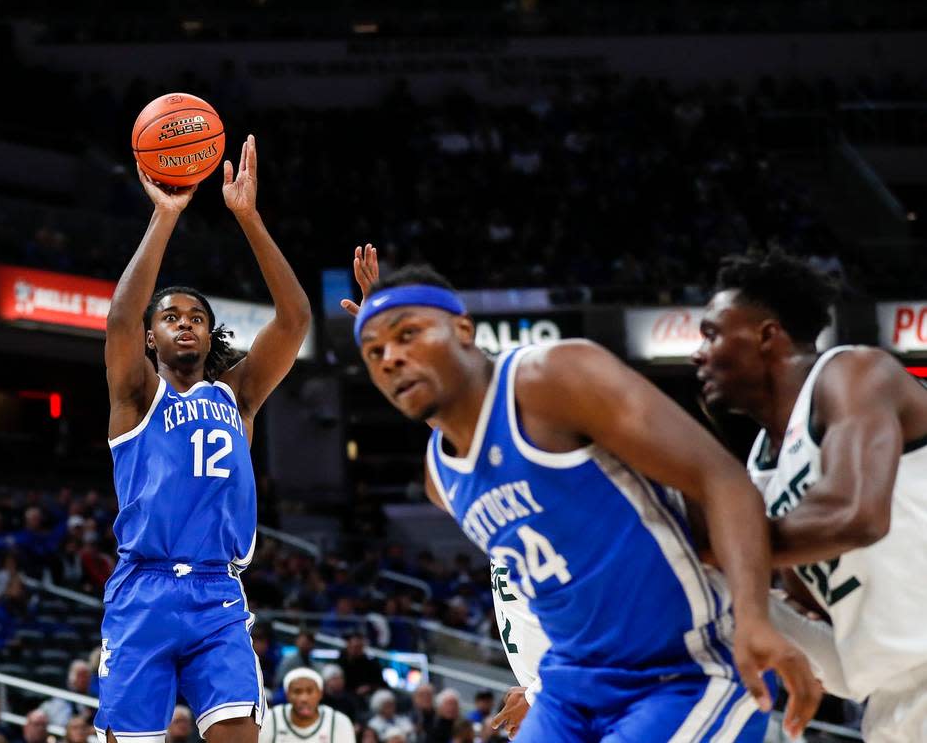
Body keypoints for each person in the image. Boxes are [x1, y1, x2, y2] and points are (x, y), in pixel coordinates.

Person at [343, 249, 820, 742]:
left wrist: (755, 616)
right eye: (374, 352)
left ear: (464, 330)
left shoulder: (554, 379)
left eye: (409, 335)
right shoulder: (439, 476)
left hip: (681, 668)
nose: (391, 357)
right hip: (569, 684)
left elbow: (722, 478)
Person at [96, 135, 311, 743]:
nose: (184, 322)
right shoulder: (135, 397)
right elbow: (118, 318)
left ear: (211, 332)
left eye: (195, 316)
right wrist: (165, 216)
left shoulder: (236, 396)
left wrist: (248, 217)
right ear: (150, 339)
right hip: (144, 587)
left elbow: (294, 318)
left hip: (218, 591)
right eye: (170, 317)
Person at [693, 250, 927, 742]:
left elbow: (856, 515)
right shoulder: (759, 471)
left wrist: (721, 549)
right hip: (892, 702)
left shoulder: (854, 373)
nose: (699, 354)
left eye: (712, 333)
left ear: (766, 334)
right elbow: (826, 620)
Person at [487, 559, 551, 739]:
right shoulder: (499, 542)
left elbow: (598, 630)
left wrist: (535, 696)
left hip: (569, 696)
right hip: (551, 699)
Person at [259, 669, 355, 743]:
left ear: (320, 693)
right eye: (297, 692)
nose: (304, 698)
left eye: (310, 691)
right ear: (287, 695)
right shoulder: (271, 718)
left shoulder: (339, 722)